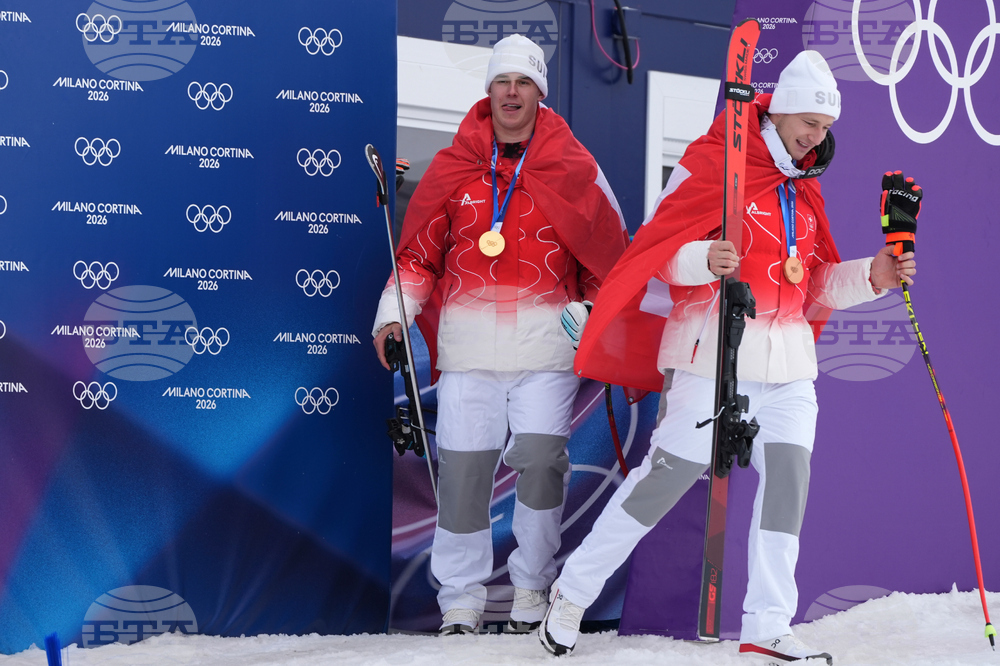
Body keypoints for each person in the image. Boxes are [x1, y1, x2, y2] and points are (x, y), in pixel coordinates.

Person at [537, 50, 917, 663]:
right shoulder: (715, 164)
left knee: (787, 488)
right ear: (782, 109)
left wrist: (871, 276)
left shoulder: (802, 190)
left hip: (789, 369)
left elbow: (813, 283)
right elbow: (656, 248)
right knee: (661, 485)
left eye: (825, 130)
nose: (816, 139)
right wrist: (700, 259)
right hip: (711, 356)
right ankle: (572, 594)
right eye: (808, 125)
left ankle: (767, 626)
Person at [372, 34, 628, 635]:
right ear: (488, 91)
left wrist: (591, 310)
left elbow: (606, 263)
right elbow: (417, 259)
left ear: (540, 91)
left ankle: (532, 589)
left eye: (524, 82)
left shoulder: (575, 167)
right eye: (501, 82)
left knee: (541, 464)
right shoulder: (453, 167)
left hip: (546, 352)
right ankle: (459, 598)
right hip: (469, 350)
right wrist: (393, 316)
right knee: (464, 471)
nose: (512, 93)